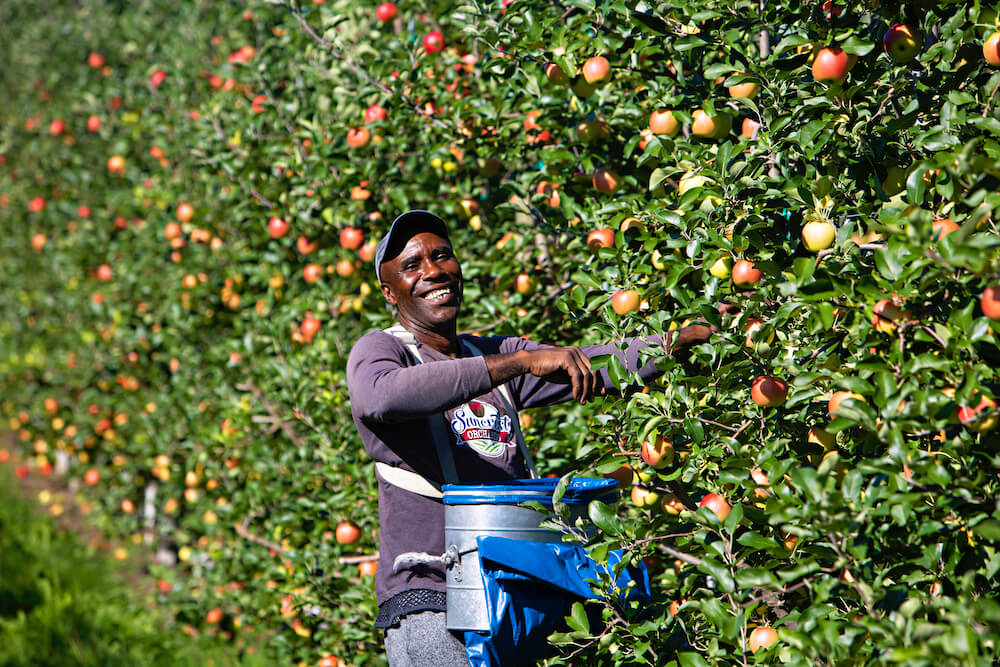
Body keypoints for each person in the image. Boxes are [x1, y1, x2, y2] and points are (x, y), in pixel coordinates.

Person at [346, 210, 712, 666]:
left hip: (516, 588)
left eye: (442, 256)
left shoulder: (489, 352)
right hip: (433, 595)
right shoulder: (384, 350)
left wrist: (682, 340)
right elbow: (379, 398)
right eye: (413, 265)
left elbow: (593, 363)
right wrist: (518, 363)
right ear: (390, 292)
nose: (434, 270)